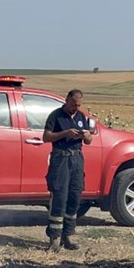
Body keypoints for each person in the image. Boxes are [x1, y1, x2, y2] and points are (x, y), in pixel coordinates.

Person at [42, 89, 94, 251]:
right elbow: (46, 137)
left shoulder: (81, 117)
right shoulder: (55, 115)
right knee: (60, 197)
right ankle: (54, 238)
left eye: (78, 105)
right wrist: (65, 133)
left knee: (74, 197)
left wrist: (85, 136)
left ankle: (68, 235)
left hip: (77, 159)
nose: (75, 108)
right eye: (73, 104)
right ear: (66, 101)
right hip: (61, 159)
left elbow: (89, 141)